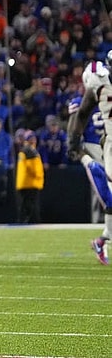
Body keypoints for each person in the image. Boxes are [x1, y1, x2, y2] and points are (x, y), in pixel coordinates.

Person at [67, 60, 112, 265]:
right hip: (100, 147)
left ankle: (102, 240)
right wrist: (75, 145)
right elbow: (80, 116)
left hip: (105, 144)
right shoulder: (97, 82)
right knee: (108, 198)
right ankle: (102, 240)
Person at [15, 130, 44, 224]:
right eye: (31, 138)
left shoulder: (24, 150)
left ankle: (22, 222)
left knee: (24, 205)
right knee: (31, 206)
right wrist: (38, 176)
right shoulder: (30, 150)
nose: (34, 140)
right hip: (30, 183)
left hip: (24, 183)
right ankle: (31, 222)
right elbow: (34, 168)